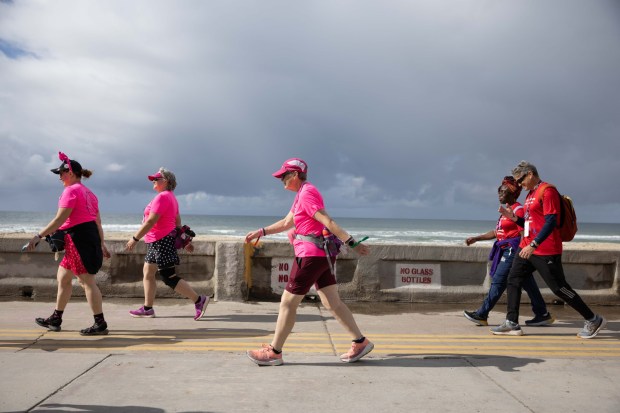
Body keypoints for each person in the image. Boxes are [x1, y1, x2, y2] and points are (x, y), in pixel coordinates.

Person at [245, 158, 373, 366]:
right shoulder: (302, 194)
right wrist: (261, 231)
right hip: (320, 256)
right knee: (332, 302)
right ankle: (360, 342)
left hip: (311, 256)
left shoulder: (307, 193)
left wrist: (353, 244)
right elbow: (287, 223)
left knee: (288, 303)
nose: (281, 181)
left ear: (295, 175)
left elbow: (327, 221)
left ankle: (274, 352)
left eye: (284, 176)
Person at [492, 161, 606, 338]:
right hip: (526, 248)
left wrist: (534, 245)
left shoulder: (548, 191)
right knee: (513, 280)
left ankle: (593, 319)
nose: (519, 185)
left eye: (520, 180)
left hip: (545, 249)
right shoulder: (530, 195)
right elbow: (531, 224)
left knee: (559, 288)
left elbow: (550, 222)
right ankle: (512, 323)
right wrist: (513, 218)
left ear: (530, 174)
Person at [26, 152, 111, 335]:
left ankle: (100, 323)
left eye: (61, 173)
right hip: (87, 238)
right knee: (63, 278)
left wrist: (38, 236)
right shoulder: (90, 194)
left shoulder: (70, 191)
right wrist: (101, 243)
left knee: (87, 281)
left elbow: (58, 220)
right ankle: (56, 318)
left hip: (78, 240)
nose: (59, 178)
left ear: (71, 173)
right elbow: (97, 223)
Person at [463, 176, 554, 327]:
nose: (499, 192)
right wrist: (477, 238)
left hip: (513, 251)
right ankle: (542, 314)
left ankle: (482, 314)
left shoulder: (518, 209)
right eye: (499, 190)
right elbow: (497, 232)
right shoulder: (507, 210)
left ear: (512, 193)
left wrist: (524, 250)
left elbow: (524, 231)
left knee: (499, 281)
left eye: (503, 190)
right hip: (510, 250)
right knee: (526, 281)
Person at [125, 167, 209, 320]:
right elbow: (177, 222)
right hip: (156, 241)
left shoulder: (162, 197)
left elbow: (151, 220)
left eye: (157, 179)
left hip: (161, 240)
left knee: (168, 277)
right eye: (153, 179)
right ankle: (148, 308)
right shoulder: (171, 197)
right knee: (148, 273)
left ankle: (199, 300)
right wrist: (184, 241)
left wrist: (135, 238)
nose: (154, 181)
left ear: (167, 182)